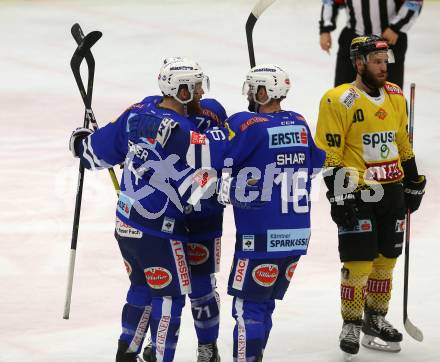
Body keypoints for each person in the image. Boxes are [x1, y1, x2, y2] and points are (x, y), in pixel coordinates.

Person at [69, 57, 262, 362]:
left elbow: (94, 154)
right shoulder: (181, 130)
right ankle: (162, 355)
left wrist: (81, 143)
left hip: (131, 223)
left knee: (148, 286)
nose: (201, 91)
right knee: (171, 296)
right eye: (195, 86)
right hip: (164, 227)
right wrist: (256, 128)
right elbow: (223, 153)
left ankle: (132, 352)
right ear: (179, 89)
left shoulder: (138, 111)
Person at [160, 64, 326, 361]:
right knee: (264, 306)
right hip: (297, 235)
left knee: (247, 309)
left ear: (264, 91)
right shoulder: (300, 123)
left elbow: (213, 154)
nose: (249, 93)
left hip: (260, 236)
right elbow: (315, 163)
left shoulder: (246, 125)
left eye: (253, 88)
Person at [314, 35, 426, 358]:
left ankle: (375, 319)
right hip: (359, 191)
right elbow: (331, 155)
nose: (384, 66)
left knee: (386, 263)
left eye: (385, 60)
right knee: (358, 263)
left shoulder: (394, 95)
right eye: (376, 62)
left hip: (391, 190)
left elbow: (401, 142)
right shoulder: (339, 100)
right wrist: (339, 196)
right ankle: (350, 322)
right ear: (359, 63)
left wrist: (413, 178)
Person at [140, 81, 227, 361]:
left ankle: (207, 347)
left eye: (201, 87)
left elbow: (225, 152)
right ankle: (158, 343)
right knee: (163, 286)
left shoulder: (212, 113)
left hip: (204, 214)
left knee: (201, 284)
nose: (201, 93)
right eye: (196, 87)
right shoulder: (156, 108)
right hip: (166, 213)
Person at [319, 0, 423, 88]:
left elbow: (414, 1)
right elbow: (330, 1)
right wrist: (325, 29)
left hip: (388, 42)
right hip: (353, 41)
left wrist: (395, 28)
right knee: (344, 92)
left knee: (390, 93)